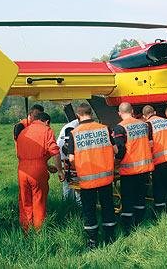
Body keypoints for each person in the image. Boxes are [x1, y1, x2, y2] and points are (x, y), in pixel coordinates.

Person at [68, 103, 118, 249]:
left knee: (89, 210)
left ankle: (93, 241)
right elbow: (115, 149)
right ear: (91, 113)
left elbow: (71, 159)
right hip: (106, 178)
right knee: (108, 207)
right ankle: (110, 238)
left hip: (87, 180)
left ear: (78, 115)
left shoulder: (74, 133)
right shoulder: (104, 129)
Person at [16, 112, 63, 231]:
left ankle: (26, 230)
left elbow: (25, 154)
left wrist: (46, 165)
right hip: (38, 170)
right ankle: (39, 232)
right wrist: (60, 171)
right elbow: (55, 152)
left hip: (22, 169)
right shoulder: (46, 130)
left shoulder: (23, 132)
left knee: (24, 201)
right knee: (39, 200)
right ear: (47, 122)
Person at [112, 102, 154, 234]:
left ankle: (128, 228)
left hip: (129, 170)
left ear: (119, 113)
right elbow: (150, 143)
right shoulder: (144, 124)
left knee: (128, 200)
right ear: (133, 111)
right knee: (140, 197)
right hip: (144, 168)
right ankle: (140, 222)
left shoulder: (120, 128)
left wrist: (116, 163)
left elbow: (120, 150)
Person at [142, 105, 167, 215]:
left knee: (159, 185)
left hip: (160, 159)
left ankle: (160, 211)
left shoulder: (148, 124)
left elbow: (150, 144)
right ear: (154, 112)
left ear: (145, 116)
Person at [57, 118, 81, 206]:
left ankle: (71, 205)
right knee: (73, 186)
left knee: (71, 186)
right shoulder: (71, 128)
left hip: (70, 163)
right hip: (69, 163)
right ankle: (72, 204)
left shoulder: (74, 126)